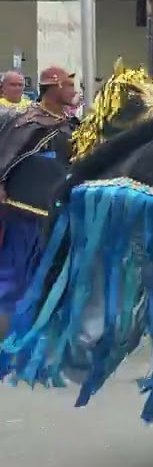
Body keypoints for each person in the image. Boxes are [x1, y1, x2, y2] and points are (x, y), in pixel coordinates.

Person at [0, 66, 79, 332]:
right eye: (69, 85)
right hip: (25, 212)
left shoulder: (69, 123)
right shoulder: (29, 121)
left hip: (55, 211)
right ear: (54, 87)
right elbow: (7, 155)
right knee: (17, 274)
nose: (74, 90)